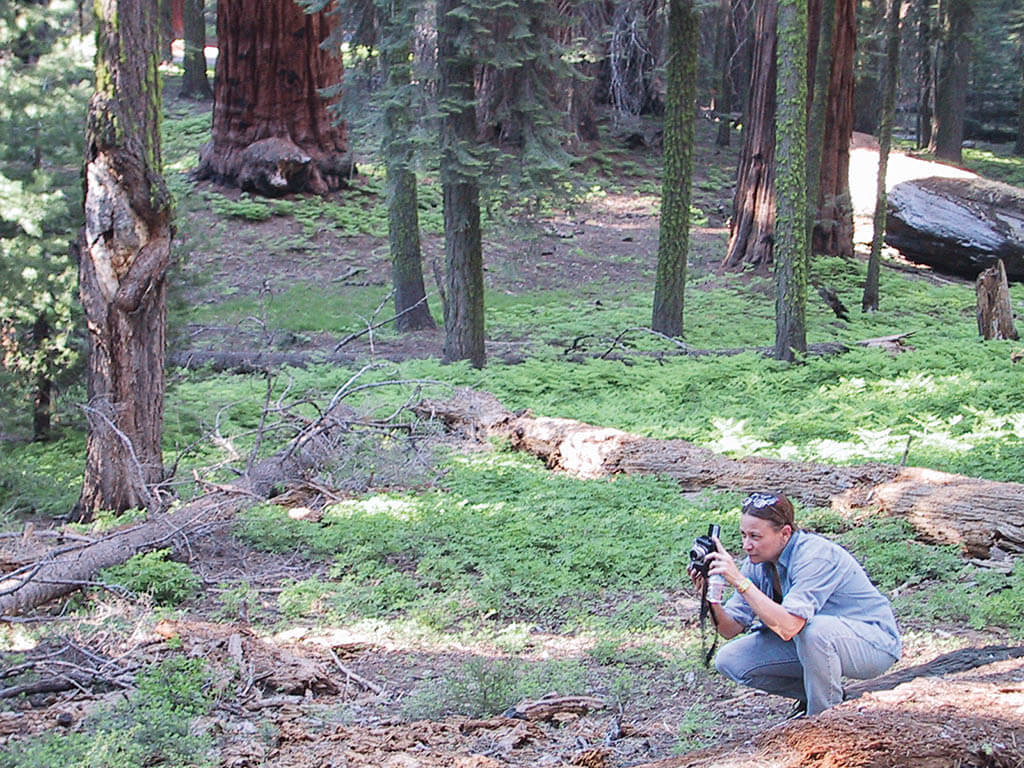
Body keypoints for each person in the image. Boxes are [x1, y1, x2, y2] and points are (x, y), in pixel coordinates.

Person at [689, 492, 901, 717]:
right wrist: (710, 598)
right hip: (814, 643)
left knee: (814, 631)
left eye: (755, 537)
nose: (746, 545)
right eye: (743, 535)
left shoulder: (815, 556)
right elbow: (729, 629)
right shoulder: (758, 562)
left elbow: (790, 626)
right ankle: (823, 696)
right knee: (730, 659)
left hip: (873, 644)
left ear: (785, 533)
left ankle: (824, 719)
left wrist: (740, 582)